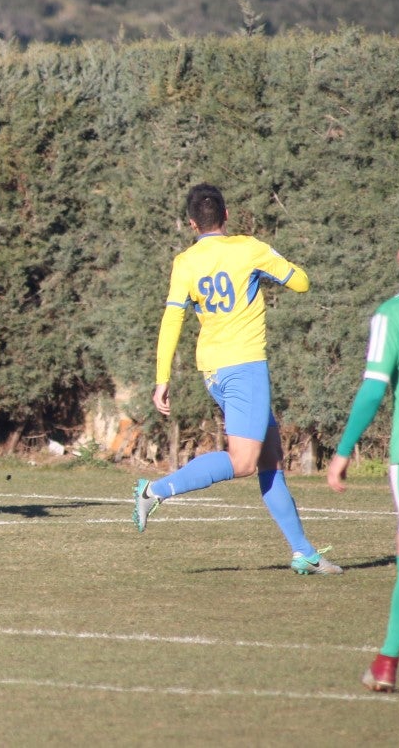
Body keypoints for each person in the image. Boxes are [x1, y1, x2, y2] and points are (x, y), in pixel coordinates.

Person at [133, 183, 341, 575]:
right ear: (226, 216)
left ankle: (303, 552)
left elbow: (172, 319)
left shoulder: (185, 262)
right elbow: (301, 281)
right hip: (245, 366)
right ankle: (154, 491)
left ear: (192, 223)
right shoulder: (250, 248)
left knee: (270, 461)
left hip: (213, 370)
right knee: (244, 461)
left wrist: (162, 378)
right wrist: (274, 261)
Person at [326, 223, 399, 692]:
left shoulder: (392, 315)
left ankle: (387, 662)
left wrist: (341, 453)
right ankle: (385, 661)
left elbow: (374, 388)